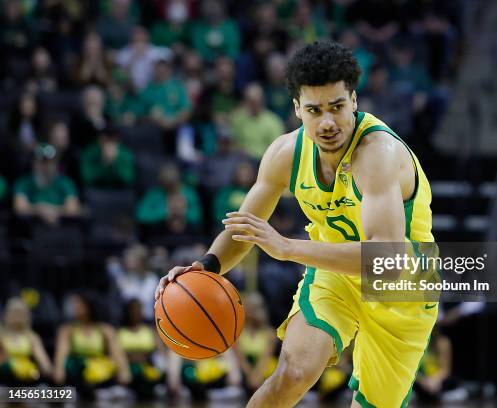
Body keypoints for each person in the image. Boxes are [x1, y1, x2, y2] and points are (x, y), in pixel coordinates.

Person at [155, 40, 437, 407]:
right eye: (314, 110)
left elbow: (386, 258)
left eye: (337, 107)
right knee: (293, 372)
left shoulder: (378, 154)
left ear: (354, 100)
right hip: (334, 275)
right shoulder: (285, 154)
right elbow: (245, 228)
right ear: (296, 110)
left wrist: (287, 248)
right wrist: (206, 267)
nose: (327, 122)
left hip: (402, 285)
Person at [0, 297, 53, 385]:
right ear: (6, 315)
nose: (17, 317)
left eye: (20, 313)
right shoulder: (1, 335)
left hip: (26, 376)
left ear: (26, 316)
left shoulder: (32, 337)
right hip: (4, 375)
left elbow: (43, 360)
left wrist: (47, 370)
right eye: (14, 313)